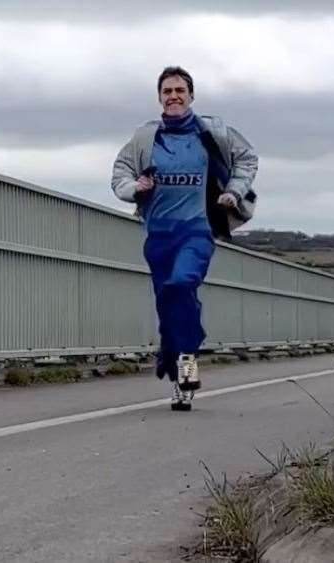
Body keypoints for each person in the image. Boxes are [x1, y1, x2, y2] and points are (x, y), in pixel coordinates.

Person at [111, 66, 258, 411]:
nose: (174, 96)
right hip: (159, 233)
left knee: (181, 284)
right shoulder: (145, 138)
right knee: (168, 302)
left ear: (191, 95)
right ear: (159, 98)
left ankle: (186, 361)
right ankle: (176, 369)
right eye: (167, 91)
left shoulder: (213, 132)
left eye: (180, 90)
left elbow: (247, 159)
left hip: (196, 228)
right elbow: (120, 174)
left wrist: (234, 192)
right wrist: (136, 188)